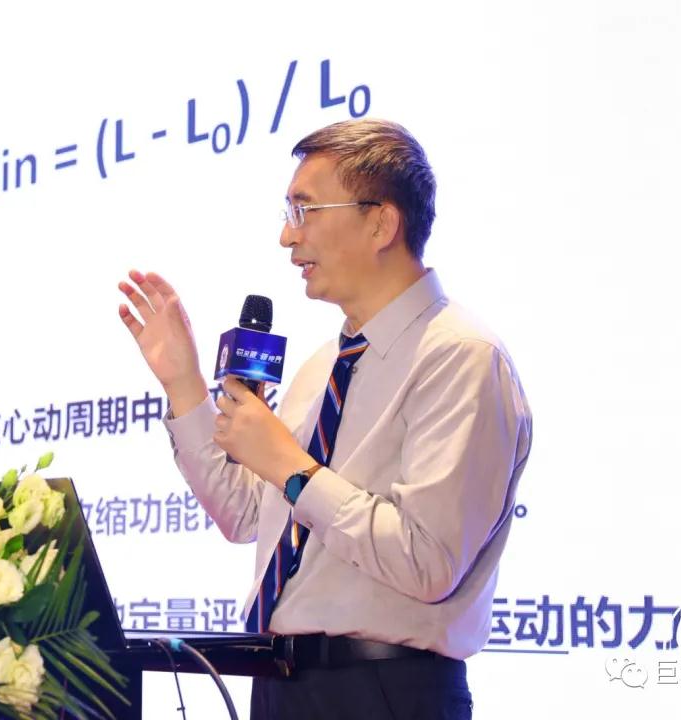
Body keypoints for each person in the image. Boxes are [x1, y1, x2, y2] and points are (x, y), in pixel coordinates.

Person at [117, 119, 532, 720]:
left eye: (305, 210)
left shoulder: (461, 357)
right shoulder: (323, 366)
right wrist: (183, 383)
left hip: (386, 693)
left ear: (381, 223)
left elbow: (428, 561)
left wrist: (293, 467)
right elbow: (246, 515)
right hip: (282, 683)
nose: (287, 236)